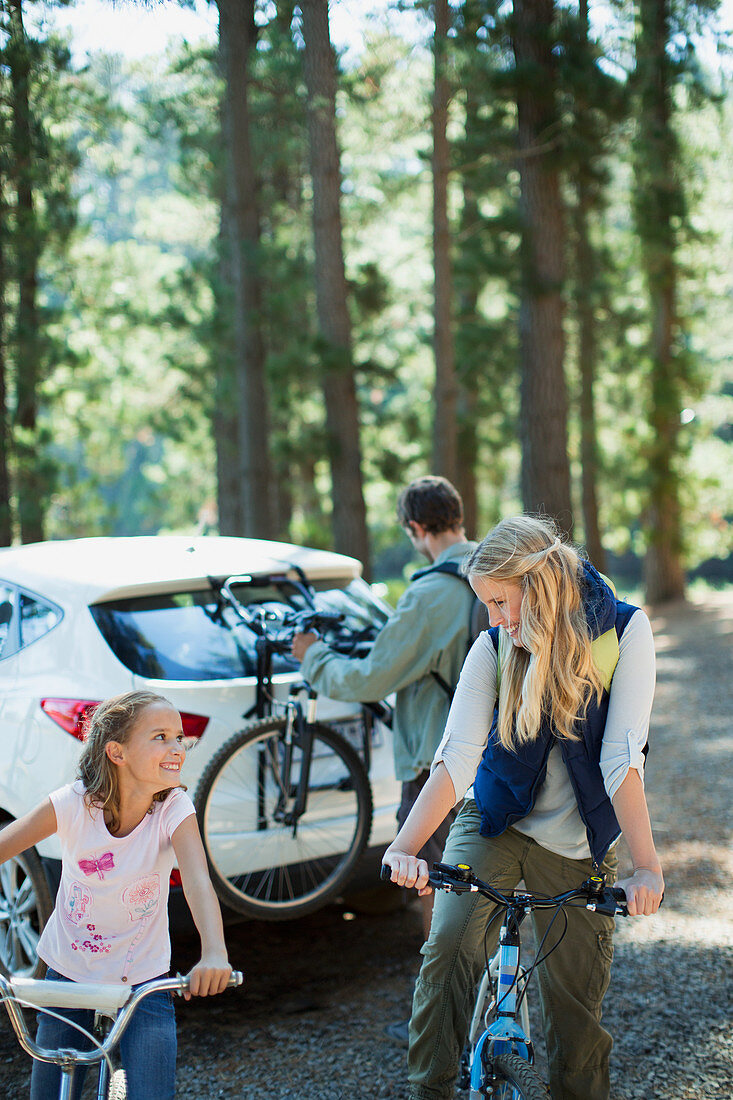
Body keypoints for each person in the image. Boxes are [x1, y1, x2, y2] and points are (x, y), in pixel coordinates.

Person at [382, 515, 665, 1100]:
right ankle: (427, 1091)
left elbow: (621, 760)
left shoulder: (625, 633)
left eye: (500, 602)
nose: (494, 620)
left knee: (575, 1017)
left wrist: (647, 866)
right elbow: (456, 757)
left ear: (539, 587)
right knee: (448, 954)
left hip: (578, 844)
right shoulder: (492, 647)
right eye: (485, 605)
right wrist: (405, 848)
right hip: (494, 823)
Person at [0, 690, 233, 1100]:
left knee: (151, 1090)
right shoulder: (73, 804)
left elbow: (197, 881)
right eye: (160, 736)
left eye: (180, 737)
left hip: (143, 978)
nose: (177, 747)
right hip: (67, 974)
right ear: (117, 752)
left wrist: (214, 952)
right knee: (50, 1091)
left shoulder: (173, 808)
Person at [292, 475, 476, 945]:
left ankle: (444, 1008)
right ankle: (489, 1000)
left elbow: (370, 678)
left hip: (437, 762)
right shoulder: (492, 568)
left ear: (415, 528)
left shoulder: (428, 594)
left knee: (429, 878)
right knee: (479, 879)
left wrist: (313, 655)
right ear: (456, 514)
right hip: (494, 753)